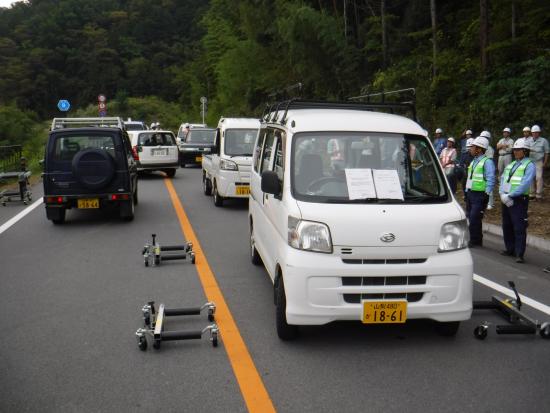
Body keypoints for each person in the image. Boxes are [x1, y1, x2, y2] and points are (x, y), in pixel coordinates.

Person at [499, 138, 536, 263]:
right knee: (507, 225)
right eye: (514, 150)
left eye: (518, 150)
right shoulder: (511, 164)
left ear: (525, 151)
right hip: (506, 198)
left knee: (519, 226)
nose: (515, 152)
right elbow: (503, 179)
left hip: (519, 200)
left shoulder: (529, 165)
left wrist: (510, 195)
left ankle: (519, 253)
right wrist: (502, 194)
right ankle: (510, 249)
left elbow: (525, 184)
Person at [465, 136, 496, 247]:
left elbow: (491, 178)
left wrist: (486, 194)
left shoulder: (487, 162)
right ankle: (477, 240)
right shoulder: (474, 161)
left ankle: (474, 240)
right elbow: (470, 177)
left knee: (474, 218)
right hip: (471, 193)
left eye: (473, 147)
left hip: (480, 195)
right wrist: (466, 191)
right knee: (472, 217)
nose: (471, 148)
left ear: (479, 149)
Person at [528, 125, 549, 200]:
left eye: (536, 132)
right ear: (531, 133)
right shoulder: (529, 140)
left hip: (539, 161)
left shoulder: (544, 141)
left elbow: (547, 152)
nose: (535, 134)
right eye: (533, 132)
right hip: (530, 161)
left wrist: (545, 162)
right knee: (530, 177)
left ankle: (539, 194)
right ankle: (531, 194)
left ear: (539, 133)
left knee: (539, 177)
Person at [480, 131, 495, 209]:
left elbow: (490, 159)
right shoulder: (480, 147)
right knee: (483, 186)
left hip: (487, 168)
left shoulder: (489, 148)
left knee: (489, 185)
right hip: (481, 168)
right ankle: (485, 201)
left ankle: (490, 203)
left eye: (486, 138)